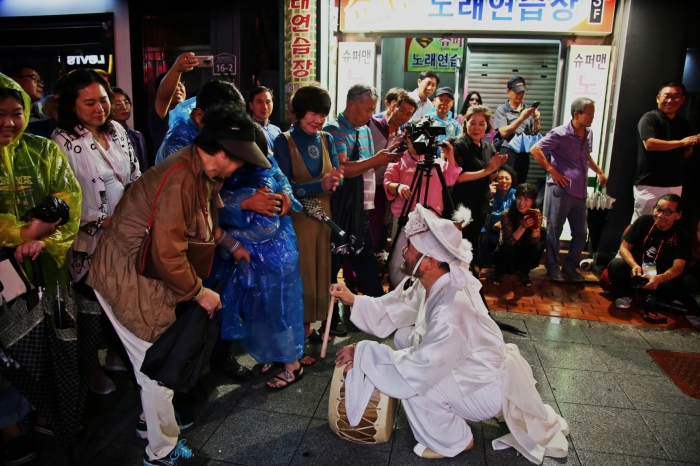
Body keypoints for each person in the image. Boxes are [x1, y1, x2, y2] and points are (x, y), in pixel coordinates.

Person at [87, 102, 272, 466]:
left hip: (145, 276)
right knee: (157, 367)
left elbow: (201, 228)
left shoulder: (200, 172)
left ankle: (149, 425)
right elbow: (167, 253)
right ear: (222, 151)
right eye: (240, 159)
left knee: (155, 363)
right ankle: (161, 452)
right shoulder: (181, 177)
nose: (241, 167)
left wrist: (228, 247)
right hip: (128, 279)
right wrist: (198, 292)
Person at [330, 204, 569, 462]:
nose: (403, 251)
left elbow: (421, 368)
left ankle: (454, 440)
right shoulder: (438, 279)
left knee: (416, 384)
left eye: (410, 247)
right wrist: (354, 300)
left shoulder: (450, 309)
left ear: (429, 261)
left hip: (483, 388)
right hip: (476, 369)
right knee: (403, 336)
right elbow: (399, 305)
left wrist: (364, 352)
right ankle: (457, 412)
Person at [0, 73, 81, 466]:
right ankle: (9, 429)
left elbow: (68, 198)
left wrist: (43, 238)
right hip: (3, 278)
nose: (9, 122)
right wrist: (22, 233)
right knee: (5, 353)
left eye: (16, 112)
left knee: (48, 343)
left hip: (45, 269)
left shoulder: (42, 149)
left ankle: (47, 412)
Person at [52, 69, 141, 395]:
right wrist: (104, 220)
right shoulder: (61, 141)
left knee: (127, 309)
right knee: (97, 314)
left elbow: (135, 174)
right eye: (89, 103)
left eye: (103, 100)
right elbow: (64, 197)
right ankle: (98, 370)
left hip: (128, 237)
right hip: (90, 245)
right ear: (72, 105)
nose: (99, 108)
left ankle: (125, 363)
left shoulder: (117, 129)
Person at [214, 148, 310, 390]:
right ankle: (276, 355)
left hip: (271, 262)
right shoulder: (256, 173)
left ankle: (292, 365)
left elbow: (265, 227)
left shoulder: (259, 180)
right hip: (266, 260)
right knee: (264, 312)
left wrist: (226, 239)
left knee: (278, 313)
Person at [324, 84, 401, 334]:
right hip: (339, 210)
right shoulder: (332, 130)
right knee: (332, 265)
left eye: (372, 110)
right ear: (351, 103)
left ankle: (377, 313)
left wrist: (387, 157)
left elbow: (368, 167)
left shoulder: (365, 130)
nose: (370, 115)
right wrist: (378, 158)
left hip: (363, 208)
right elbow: (343, 169)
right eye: (367, 109)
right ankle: (328, 319)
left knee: (367, 261)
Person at [274, 85, 344, 343]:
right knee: (300, 274)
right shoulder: (284, 141)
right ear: (299, 112)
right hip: (297, 221)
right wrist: (319, 185)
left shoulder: (326, 139)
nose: (319, 120)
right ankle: (297, 331)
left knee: (320, 271)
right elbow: (284, 189)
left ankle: (308, 328)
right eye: (313, 113)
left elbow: (335, 176)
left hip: (323, 219)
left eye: (323, 114)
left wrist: (336, 180)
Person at [530, 97, 607, 283]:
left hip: (580, 192)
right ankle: (552, 267)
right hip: (562, 190)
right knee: (554, 230)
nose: (592, 117)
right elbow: (535, 149)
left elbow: (586, 156)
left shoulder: (588, 133)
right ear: (576, 114)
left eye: (593, 113)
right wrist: (553, 171)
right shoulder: (560, 133)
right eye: (589, 113)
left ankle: (570, 266)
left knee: (580, 233)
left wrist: (599, 171)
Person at [384, 123, 461, 287]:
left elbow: (451, 179)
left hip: (432, 218)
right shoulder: (399, 159)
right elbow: (388, 182)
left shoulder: (436, 162)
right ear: (407, 138)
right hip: (405, 215)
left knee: (429, 254)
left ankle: (422, 288)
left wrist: (450, 155)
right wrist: (398, 187)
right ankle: (397, 287)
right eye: (413, 137)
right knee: (400, 252)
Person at [607, 195, 698, 315]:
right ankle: (625, 295)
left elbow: (678, 267)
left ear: (678, 215)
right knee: (616, 265)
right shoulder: (644, 221)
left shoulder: (682, 236)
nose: (660, 215)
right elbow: (624, 247)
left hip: (660, 277)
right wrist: (634, 265)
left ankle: (654, 298)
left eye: (667, 212)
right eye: (658, 209)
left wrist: (660, 278)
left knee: (685, 283)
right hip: (637, 272)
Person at [632, 82, 699, 222]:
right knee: (642, 223)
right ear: (658, 98)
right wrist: (682, 142)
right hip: (650, 183)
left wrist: (689, 146)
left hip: (675, 183)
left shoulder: (683, 123)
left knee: (667, 224)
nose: (670, 100)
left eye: (676, 96)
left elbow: (685, 155)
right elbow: (650, 144)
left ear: (682, 99)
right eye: (667, 96)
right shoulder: (649, 118)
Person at [445, 105, 507, 254]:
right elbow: (459, 178)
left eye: (481, 124)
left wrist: (496, 168)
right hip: (461, 204)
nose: (476, 128)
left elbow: (490, 177)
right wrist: (487, 170)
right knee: (455, 245)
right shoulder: (458, 145)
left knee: (471, 244)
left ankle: (468, 267)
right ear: (465, 123)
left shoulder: (489, 147)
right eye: (472, 123)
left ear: (487, 126)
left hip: (481, 204)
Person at [367, 90, 417, 256]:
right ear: (393, 105)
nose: (404, 116)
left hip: (382, 187)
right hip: (362, 183)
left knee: (379, 226)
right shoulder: (371, 124)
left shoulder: (402, 138)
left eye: (409, 113)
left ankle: (375, 258)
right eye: (402, 110)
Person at [156, 80, 245, 163]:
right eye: (222, 123)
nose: (227, 130)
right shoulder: (179, 142)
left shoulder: (205, 110)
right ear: (199, 116)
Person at [493, 183, 545, 286]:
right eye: (519, 198)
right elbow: (510, 242)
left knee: (540, 243)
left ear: (533, 201)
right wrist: (522, 227)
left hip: (524, 250)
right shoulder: (507, 214)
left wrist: (535, 228)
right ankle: (499, 272)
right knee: (506, 248)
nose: (522, 203)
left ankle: (524, 272)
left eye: (526, 199)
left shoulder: (536, 214)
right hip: (509, 251)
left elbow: (534, 241)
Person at [493, 76, 541, 184]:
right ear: (508, 91)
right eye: (516, 92)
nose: (519, 95)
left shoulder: (528, 109)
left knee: (521, 183)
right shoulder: (502, 110)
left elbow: (535, 131)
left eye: (522, 92)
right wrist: (522, 118)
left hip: (523, 152)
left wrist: (537, 120)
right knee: (505, 183)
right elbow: (504, 132)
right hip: (507, 151)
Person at [148, 53, 198, 155]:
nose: (178, 88)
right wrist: (177, 69)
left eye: (180, 84)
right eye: (174, 86)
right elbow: (164, 96)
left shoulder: (194, 113)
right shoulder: (159, 117)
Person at [111, 87, 149, 172]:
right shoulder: (105, 138)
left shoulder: (137, 136)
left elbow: (144, 167)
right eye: (117, 104)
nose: (124, 107)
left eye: (126, 102)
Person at [489, 164, 517, 245]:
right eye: (500, 178)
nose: (504, 181)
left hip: (511, 235)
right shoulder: (488, 193)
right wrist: (489, 195)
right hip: (488, 235)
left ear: (512, 181)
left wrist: (503, 224)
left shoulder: (517, 195)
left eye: (507, 178)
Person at [248, 86, 281, 154]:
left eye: (268, 102)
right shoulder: (249, 130)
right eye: (260, 102)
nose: (265, 107)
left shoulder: (277, 130)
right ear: (251, 105)